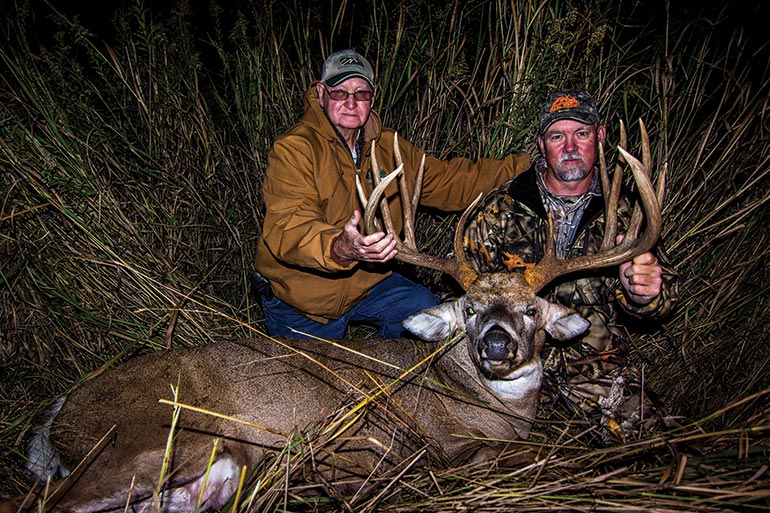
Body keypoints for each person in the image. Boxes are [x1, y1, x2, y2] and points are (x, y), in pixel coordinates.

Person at [254, 49, 530, 340]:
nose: (350, 102)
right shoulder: (294, 149)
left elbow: (451, 181)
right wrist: (338, 247)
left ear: (373, 97)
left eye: (361, 94)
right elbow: (288, 225)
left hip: (367, 283)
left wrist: (527, 167)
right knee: (312, 383)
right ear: (322, 93)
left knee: (421, 308)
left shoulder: (389, 147)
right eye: (339, 93)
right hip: (301, 298)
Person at [463, 88, 679, 444]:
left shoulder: (626, 216)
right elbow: (460, 293)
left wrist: (644, 294)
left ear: (601, 136)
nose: (570, 147)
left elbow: (665, 295)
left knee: (652, 442)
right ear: (541, 144)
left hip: (593, 371)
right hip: (507, 368)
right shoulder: (499, 210)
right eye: (556, 136)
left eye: (581, 134)